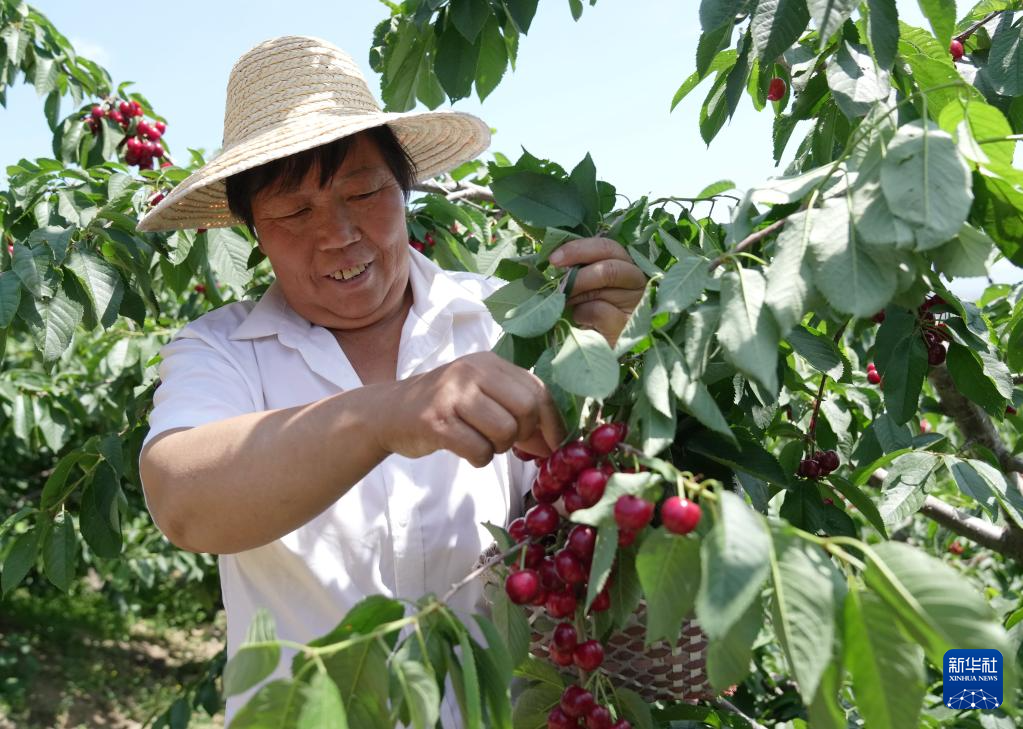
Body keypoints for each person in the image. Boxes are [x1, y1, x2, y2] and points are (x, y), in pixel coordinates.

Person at [136, 35, 646, 725]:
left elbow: (585, 509)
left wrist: (607, 357)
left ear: (405, 190)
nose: (339, 233)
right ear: (253, 229)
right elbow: (184, 499)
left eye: (364, 191)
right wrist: (384, 415)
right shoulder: (220, 351)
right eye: (293, 211)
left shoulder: (509, 320)